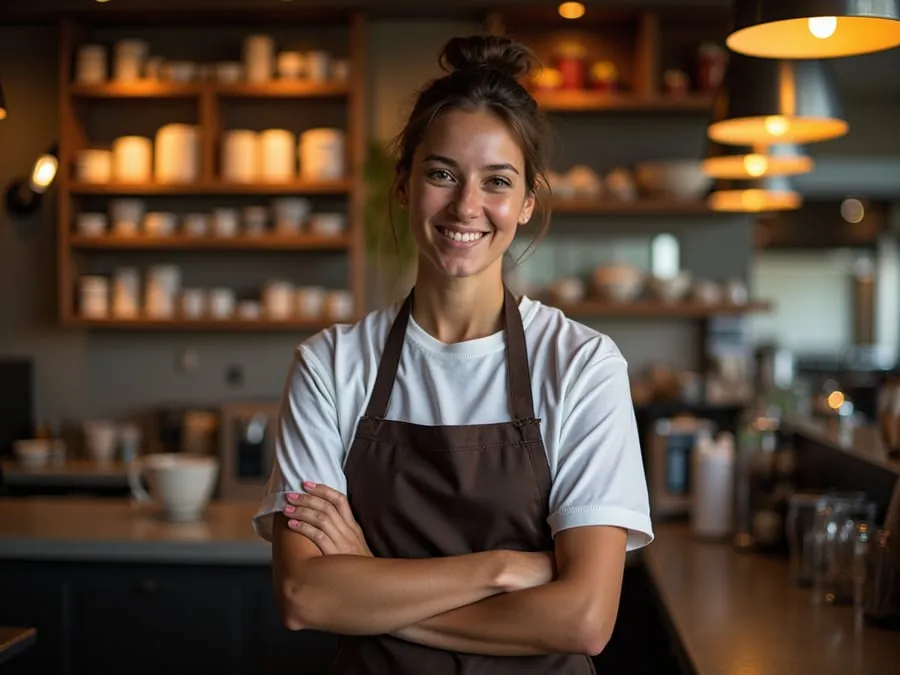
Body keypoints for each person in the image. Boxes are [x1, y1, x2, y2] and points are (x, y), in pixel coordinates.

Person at [252, 34, 653, 674]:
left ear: (526, 202)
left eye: (497, 180)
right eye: (442, 173)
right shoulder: (331, 366)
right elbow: (305, 595)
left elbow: (583, 619)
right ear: (406, 184)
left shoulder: (581, 365)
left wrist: (371, 582)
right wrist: (501, 569)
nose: (467, 205)